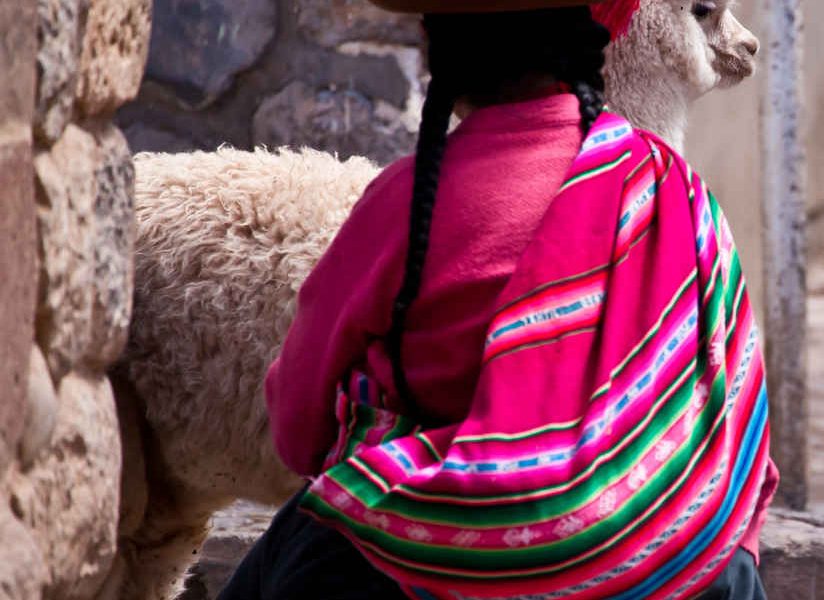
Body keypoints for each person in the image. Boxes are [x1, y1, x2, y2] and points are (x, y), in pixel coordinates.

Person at [220, 2, 777, 598]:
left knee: (314, 531)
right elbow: (733, 422)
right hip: (664, 567)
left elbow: (299, 429)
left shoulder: (403, 206)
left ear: (440, 56)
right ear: (588, 45)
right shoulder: (677, 196)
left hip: (426, 568)